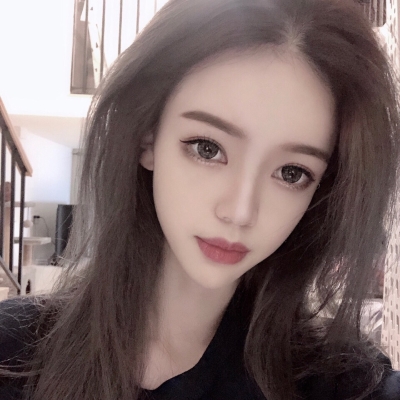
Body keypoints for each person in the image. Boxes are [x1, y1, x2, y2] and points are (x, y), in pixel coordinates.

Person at [1, 0, 400, 399]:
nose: (239, 212)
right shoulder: (13, 352)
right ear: (148, 138)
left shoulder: (342, 382)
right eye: (208, 149)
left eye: (291, 173)